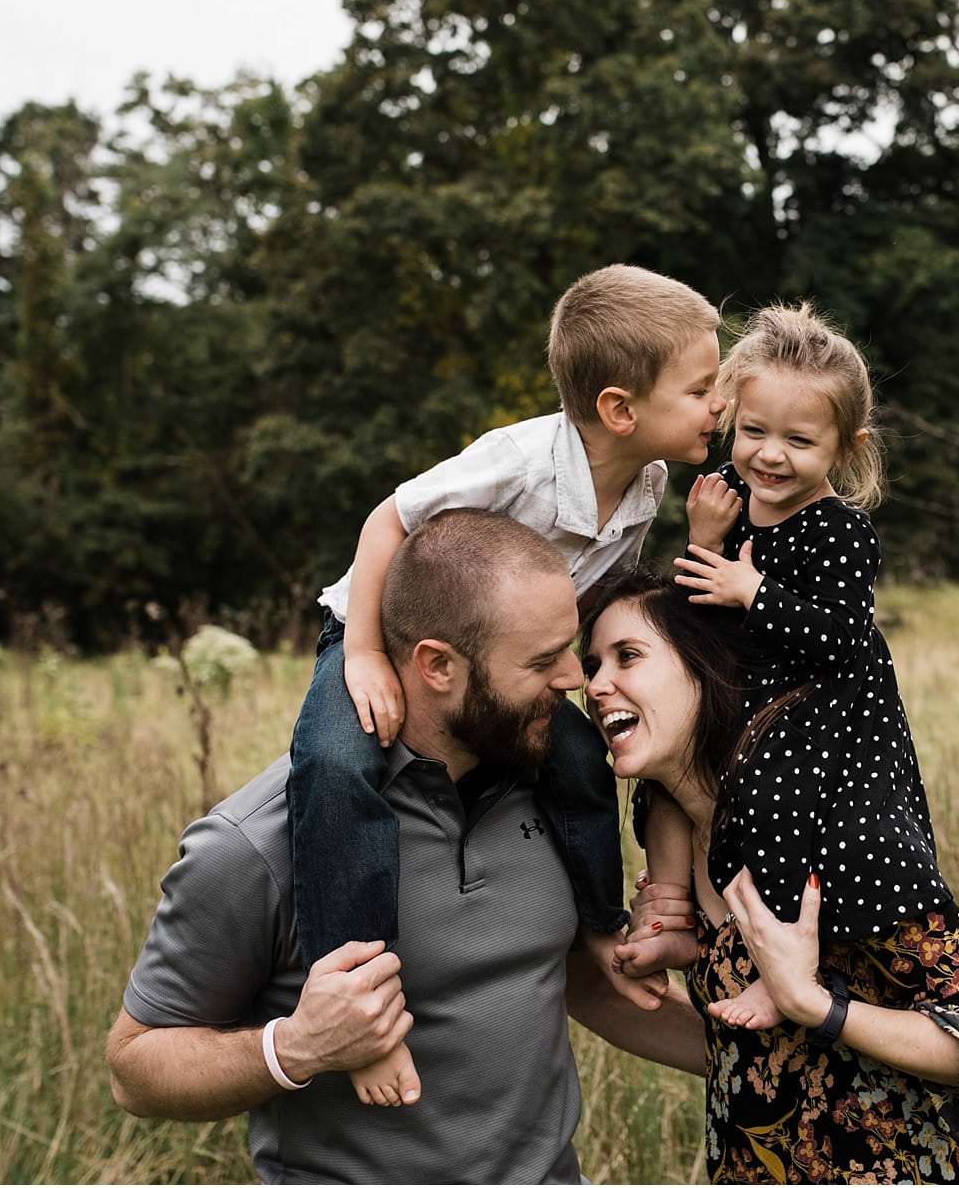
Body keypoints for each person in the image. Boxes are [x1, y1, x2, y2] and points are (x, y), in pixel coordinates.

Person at [106, 510, 706, 1184]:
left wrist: (795, 1059)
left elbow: (577, 981)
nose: (574, 678)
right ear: (437, 665)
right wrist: (295, 1047)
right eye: (542, 660)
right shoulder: (255, 844)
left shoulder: (549, 787)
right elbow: (135, 1067)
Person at [290, 263, 725, 1104]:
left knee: (580, 764)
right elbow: (390, 519)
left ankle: (601, 929)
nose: (720, 405)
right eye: (702, 388)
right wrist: (364, 658)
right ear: (619, 408)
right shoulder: (519, 460)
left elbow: (604, 598)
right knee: (337, 770)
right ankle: (362, 1019)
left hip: (517, 673)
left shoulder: (648, 482)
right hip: (383, 631)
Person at [583, 566, 959, 1183]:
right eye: (592, 666)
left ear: (707, 666)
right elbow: (738, 1050)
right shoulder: (676, 837)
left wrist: (814, 1005)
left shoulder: (829, 834)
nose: (596, 685)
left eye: (627, 657)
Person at [619, 302, 942, 1027]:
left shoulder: (840, 529)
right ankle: (671, 911)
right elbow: (694, 625)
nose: (769, 454)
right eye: (754, 430)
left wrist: (755, 590)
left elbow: (843, 637)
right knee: (665, 771)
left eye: (799, 440)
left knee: (783, 815)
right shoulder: (729, 502)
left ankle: (789, 970)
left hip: (824, 713)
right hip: (747, 700)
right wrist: (705, 539)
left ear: (846, 446)